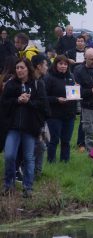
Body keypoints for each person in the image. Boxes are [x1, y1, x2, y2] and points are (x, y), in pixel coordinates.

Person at [0, 58, 47, 197]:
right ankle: (8, 185)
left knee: (28, 158)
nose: (19, 70)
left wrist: (28, 102)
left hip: (30, 128)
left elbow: (43, 105)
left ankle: (28, 188)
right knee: (9, 156)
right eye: (17, 68)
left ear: (28, 69)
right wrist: (17, 100)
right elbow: (4, 103)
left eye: (22, 67)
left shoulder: (37, 84)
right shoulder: (10, 85)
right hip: (13, 128)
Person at [44, 55, 77, 163]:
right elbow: (44, 97)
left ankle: (65, 161)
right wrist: (57, 99)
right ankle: (51, 160)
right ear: (56, 65)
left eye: (65, 64)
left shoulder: (71, 76)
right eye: (60, 64)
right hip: (54, 114)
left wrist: (77, 90)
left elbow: (73, 93)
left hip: (69, 114)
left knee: (66, 140)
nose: (63, 66)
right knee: (54, 139)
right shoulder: (49, 77)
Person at [31, 54, 50, 176]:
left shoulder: (41, 81)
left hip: (41, 120)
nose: (47, 67)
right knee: (39, 146)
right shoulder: (32, 82)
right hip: (33, 121)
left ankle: (36, 172)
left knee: (41, 146)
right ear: (39, 66)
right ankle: (32, 172)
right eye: (46, 65)